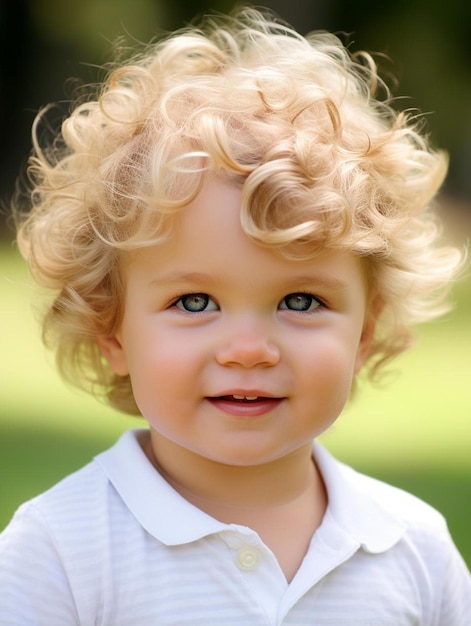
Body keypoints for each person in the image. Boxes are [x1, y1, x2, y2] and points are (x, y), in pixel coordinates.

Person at [1, 7, 469, 624]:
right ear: (109, 327)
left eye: (301, 301)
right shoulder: (58, 553)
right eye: (194, 303)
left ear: (366, 329)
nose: (248, 349)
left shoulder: (414, 551)